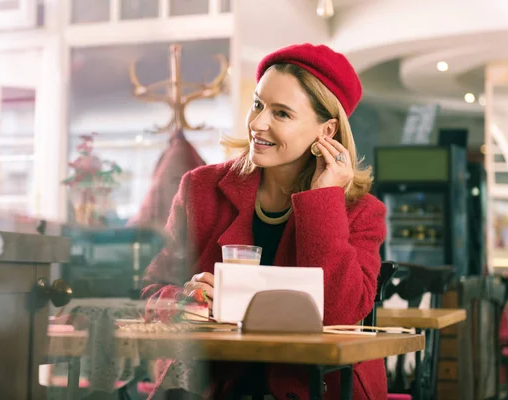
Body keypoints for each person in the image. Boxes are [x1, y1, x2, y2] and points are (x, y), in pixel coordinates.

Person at [140, 43, 387, 400]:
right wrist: (184, 300)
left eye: (282, 113)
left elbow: (338, 314)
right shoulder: (200, 189)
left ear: (327, 131)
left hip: (315, 389)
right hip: (214, 385)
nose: (258, 123)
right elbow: (152, 289)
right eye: (258, 104)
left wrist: (323, 201)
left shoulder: (361, 211)